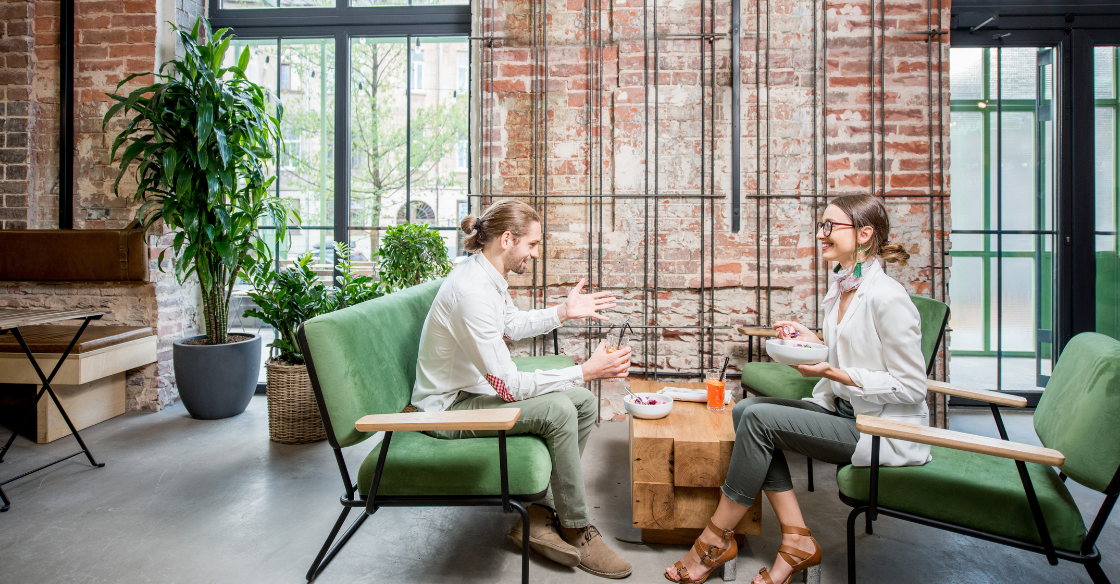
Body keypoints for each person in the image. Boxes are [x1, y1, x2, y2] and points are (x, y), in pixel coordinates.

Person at [665, 194, 930, 584]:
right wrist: (813, 339)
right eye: (820, 225)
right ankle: (796, 538)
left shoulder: (889, 297)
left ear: (864, 234)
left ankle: (716, 537)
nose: (821, 234)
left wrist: (835, 372)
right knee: (744, 412)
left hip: (874, 426)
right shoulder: (842, 287)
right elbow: (855, 349)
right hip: (841, 409)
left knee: (756, 420)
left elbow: (911, 388)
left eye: (830, 226)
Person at [412, 199, 634, 579]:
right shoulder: (472, 292)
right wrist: (585, 370)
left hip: (472, 390)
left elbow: (511, 325)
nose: (535, 254)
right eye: (531, 245)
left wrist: (563, 313)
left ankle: (539, 513)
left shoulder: (488, 276)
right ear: (507, 239)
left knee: (580, 402)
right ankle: (575, 528)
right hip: (446, 408)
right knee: (560, 408)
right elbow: (510, 387)